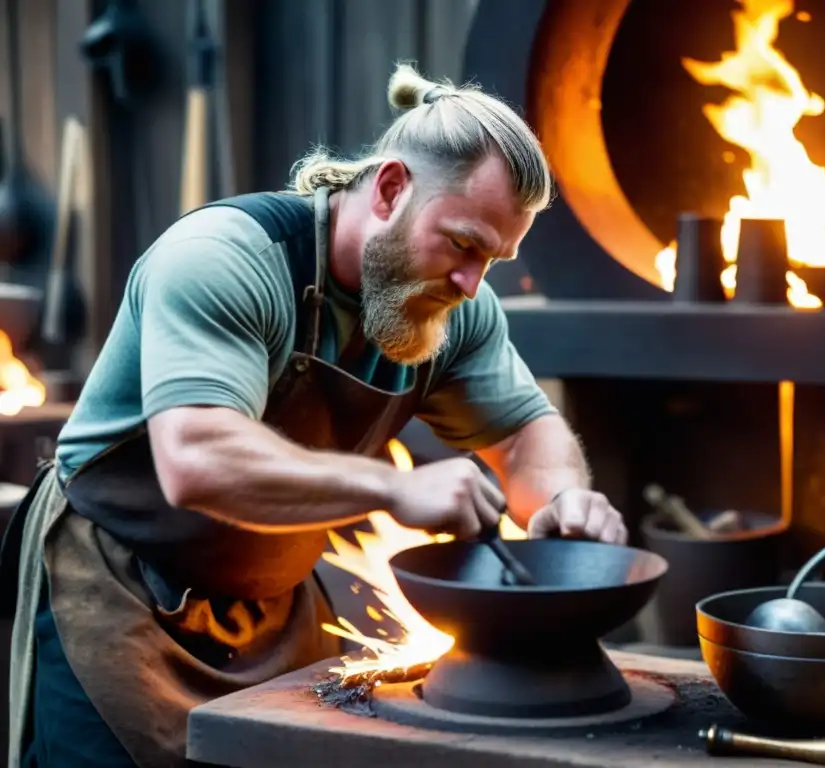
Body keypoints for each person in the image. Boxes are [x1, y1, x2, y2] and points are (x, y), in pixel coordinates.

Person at [1, 63, 628, 768]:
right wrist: (395, 489)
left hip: (272, 606)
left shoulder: (456, 308)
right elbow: (196, 457)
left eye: (495, 258)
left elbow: (523, 435)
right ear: (391, 189)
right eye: (462, 243)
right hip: (118, 590)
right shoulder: (225, 260)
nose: (471, 281)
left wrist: (564, 500)